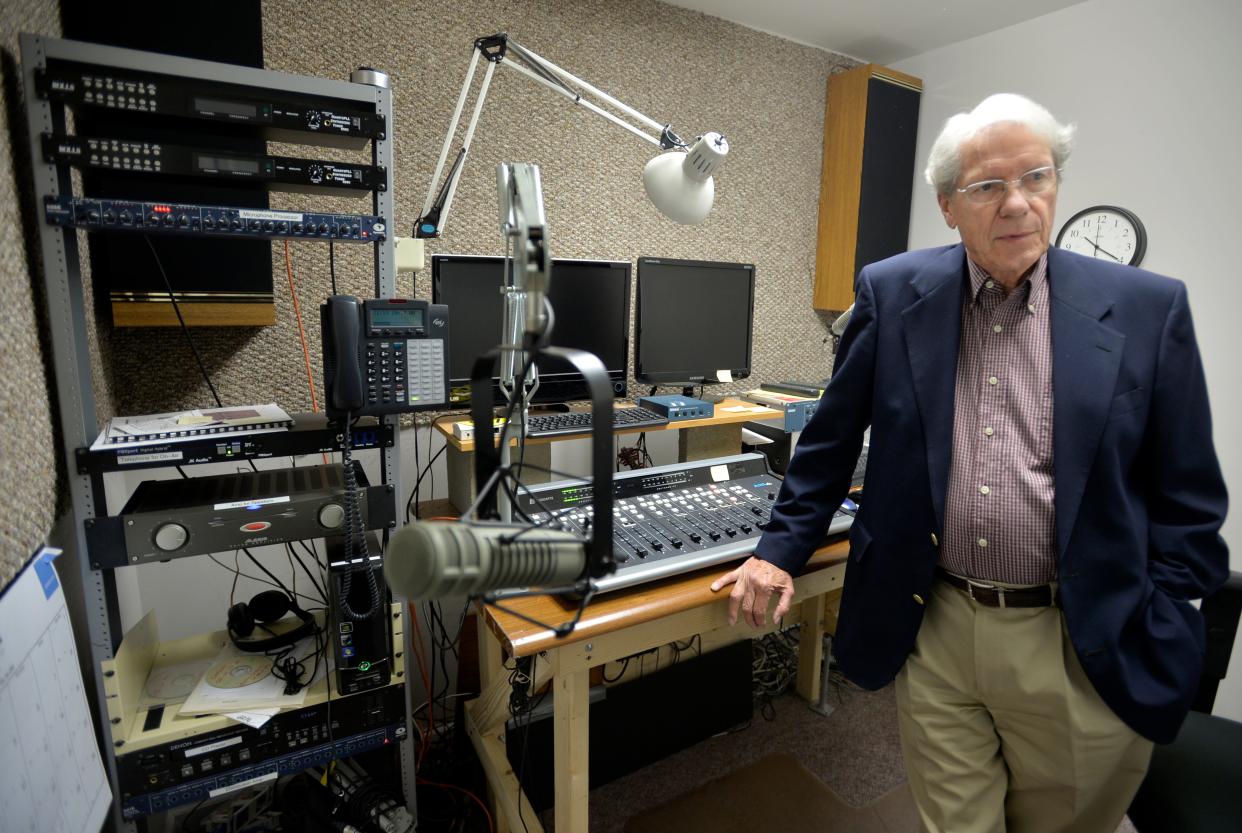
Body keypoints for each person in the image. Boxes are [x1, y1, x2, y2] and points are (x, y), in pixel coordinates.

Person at [711, 93, 1229, 833]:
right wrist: (777, 552)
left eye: (1037, 177)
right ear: (949, 205)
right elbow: (830, 441)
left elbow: (1189, 498)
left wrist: (1160, 617)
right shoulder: (893, 293)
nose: (1018, 204)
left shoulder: (1148, 308)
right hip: (938, 619)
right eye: (989, 186)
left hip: (1082, 635)